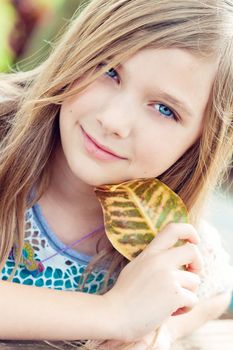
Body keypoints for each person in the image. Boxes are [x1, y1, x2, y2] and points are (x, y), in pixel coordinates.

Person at [0, 0, 233, 349]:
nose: (113, 121)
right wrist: (113, 312)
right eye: (109, 71)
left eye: (164, 110)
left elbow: (216, 288)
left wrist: (162, 331)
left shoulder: (160, 229)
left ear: (202, 142)